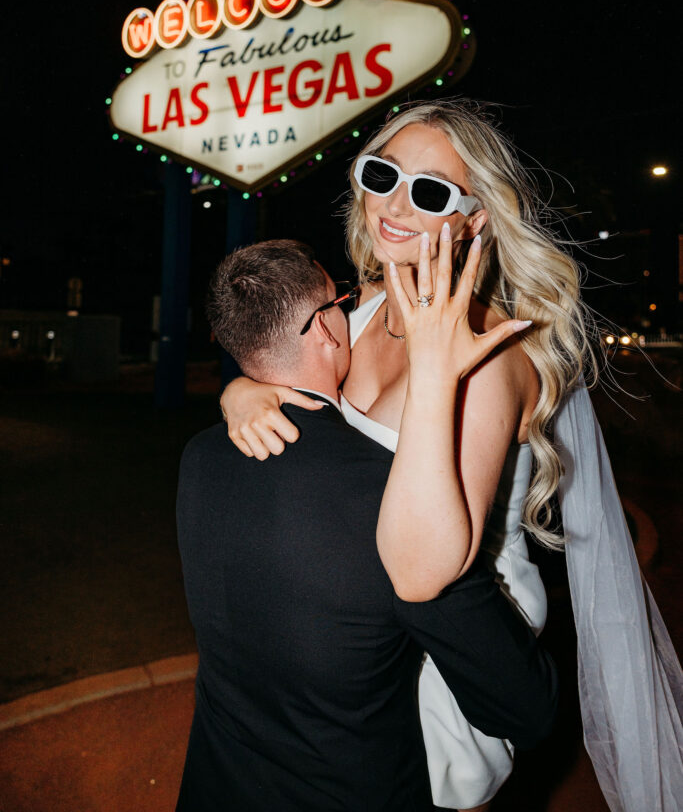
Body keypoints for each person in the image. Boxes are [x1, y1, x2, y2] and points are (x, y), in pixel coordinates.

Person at [222, 101, 683, 812]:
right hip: (356, 619)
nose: (394, 205)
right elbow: (291, 376)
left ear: (473, 219)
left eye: (431, 191)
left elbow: (421, 572)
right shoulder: (363, 307)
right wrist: (242, 392)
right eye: (382, 175)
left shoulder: (495, 356)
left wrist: (436, 368)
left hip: (451, 645)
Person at [176, 238, 559, 812]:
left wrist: (237, 388)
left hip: (216, 782)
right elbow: (522, 708)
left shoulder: (202, 457)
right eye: (342, 302)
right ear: (328, 331)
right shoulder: (402, 507)